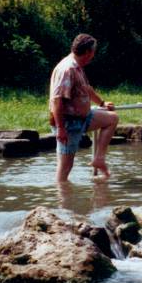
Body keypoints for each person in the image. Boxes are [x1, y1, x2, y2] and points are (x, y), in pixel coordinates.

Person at [49, 33, 119, 182]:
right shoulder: (67, 69)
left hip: (83, 117)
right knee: (65, 167)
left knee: (112, 119)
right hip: (68, 123)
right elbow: (56, 101)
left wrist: (102, 103)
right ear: (88, 52)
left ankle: (99, 159)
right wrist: (61, 128)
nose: (93, 56)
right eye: (93, 52)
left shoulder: (78, 67)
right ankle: (63, 201)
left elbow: (87, 89)